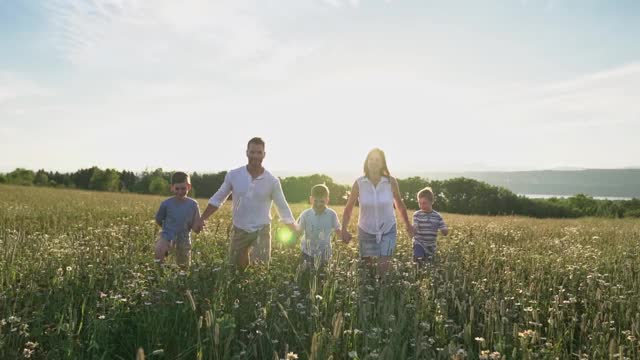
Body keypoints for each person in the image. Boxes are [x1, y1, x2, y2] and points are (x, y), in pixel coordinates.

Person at [195, 137, 296, 269]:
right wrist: (202, 219)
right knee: (235, 269)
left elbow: (282, 207)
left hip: (262, 231)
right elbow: (218, 198)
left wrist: (294, 228)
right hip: (240, 229)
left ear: (264, 155)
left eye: (259, 152)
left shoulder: (272, 181)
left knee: (260, 270)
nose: (255, 156)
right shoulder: (234, 175)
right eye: (252, 152)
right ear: (246, 153)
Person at [341, 148, 413, 274]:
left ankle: (383, 290)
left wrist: (408, 225)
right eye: (371, 159)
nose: (373, 162)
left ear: (382, 163)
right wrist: (343, 229)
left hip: (388, 229)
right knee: (367, 270)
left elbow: (400, 205)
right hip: (366, 230)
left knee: (383, 270)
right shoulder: (359, 183)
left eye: (377, 159)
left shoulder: (391, 182)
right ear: (366, 162)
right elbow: (349, 207)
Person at [154, 171, 201, 267]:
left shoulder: (193, 204)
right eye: (177, 188)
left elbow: (196, 226)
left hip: (184, 238)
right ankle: (159, 272)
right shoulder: (166, 204)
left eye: (183, 188)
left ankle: (181, 276)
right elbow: (159, 219)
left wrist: (198, 226)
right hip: (167, 236)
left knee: (183, 266)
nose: (180, 191)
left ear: (189, 187)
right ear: (172, 187)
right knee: (159, 251)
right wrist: (166, 230)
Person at [296, 184, 342, 269]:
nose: (318, 204)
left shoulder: (331, 214)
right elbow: (299, 230)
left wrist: (344, 236)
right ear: (311, 199)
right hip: (307, 252)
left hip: (325, 252)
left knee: (322, 275)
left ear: (327, 200)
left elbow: (337, 228)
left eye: (322, 201)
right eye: (316, 201)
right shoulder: (305, 214)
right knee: (307, 273)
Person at [412, 187, 449, 265]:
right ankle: (417, 272)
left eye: (424, 203)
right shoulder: (417, 214)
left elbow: (444, 229)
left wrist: (445, 230)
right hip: (419, 243)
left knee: (428, 264)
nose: (422, 205)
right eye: (419, 203)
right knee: (419, 261)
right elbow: (415, 225)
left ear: (431, 202)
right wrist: (413, 229)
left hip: (431, 245)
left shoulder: (437, 216)